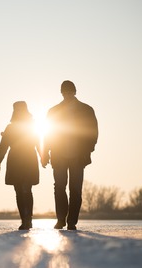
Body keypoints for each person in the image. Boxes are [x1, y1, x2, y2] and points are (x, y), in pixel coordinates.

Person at [42, 80, 98, 230]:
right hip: (58, 154)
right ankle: (61, 219)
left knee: (75, 188)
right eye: (64, 91)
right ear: (61, 93)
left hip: (78, 155)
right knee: (59, 187)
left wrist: (88, 150)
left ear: (74, 92)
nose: (67, 94)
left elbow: (93, 132)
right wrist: (44, 153)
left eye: (69, 91)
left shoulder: (86, 109)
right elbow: (47, 133)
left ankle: (72, 221)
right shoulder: (53, 111)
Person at [0, 101, 43, 230]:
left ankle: (28, 219)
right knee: (19, 191)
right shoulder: (10, 128)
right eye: (17, 109)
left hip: (28, 160)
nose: (19, 111)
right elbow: (3, 146)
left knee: (26, 189)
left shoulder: (31, 127)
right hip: (16, 161)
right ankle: (24, 219)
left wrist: (43, 156)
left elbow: (38, 143)